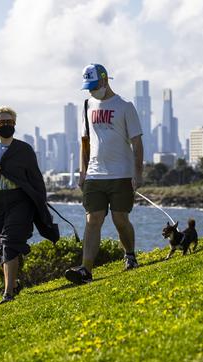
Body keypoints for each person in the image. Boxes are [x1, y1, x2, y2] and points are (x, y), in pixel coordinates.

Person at [64, 63, 144, 285]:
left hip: (121, 174)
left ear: (105, 80)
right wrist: (82, 171)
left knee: (120, 219)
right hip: (94, 175)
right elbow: (85, 141)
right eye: (87, 87)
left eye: (94, 85)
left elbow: (137, 142)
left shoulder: (125, 106)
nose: (91, 90)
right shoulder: (88, 105)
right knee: (93, 220)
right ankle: (85, 270)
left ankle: (129, 255)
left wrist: (138, 173)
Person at [0, 106, 59, 304]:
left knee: (10, 241)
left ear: (15, 124)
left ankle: (8, 293)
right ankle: (14, 284)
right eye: (2, 122)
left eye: (9, 122)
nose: (6, 126)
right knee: (0, 247)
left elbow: (36, 180)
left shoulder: (24, 150)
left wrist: (41, 205)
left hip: (20, 201)